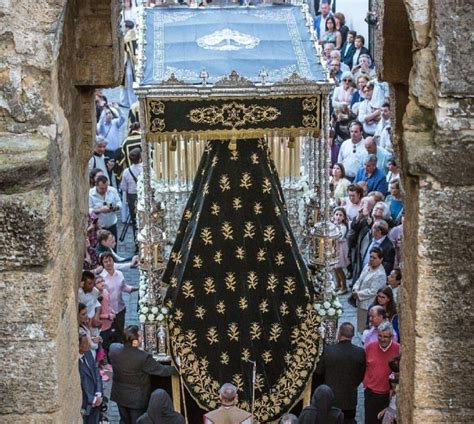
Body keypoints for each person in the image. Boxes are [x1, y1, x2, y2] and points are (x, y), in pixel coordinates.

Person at [109, 326, 177, 424]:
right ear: (135, 342)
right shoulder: (143, 357)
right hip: (137, 399)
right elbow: (162, 370)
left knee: (124, 420)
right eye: (140, 336)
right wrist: (177, 369)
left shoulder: (113, 349)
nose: (142, 337)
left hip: (119, 395)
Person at [315, 322, 365, 423]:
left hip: (331, 401)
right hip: (349, 400)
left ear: (339, 333)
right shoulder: (360, 352)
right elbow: (361, 375)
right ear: (353, 335)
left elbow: (319, 371)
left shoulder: (329, 351)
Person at [363, 322, 400, 424]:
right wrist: (366, 382)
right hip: (371, 393)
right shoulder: (370, 347)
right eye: (380, 336)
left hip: (388, 396)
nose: (382, 339)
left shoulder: (398, 349)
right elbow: (364, 366)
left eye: (385, 336)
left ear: (391, 337)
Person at [100, 252, 138, 339]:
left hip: (120, 308)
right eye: (106, 262)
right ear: (102, 264)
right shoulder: (101, 278)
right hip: (108, 312)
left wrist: (134, 289)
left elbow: (124, 287)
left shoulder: (119, 274)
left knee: (120, 331)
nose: (108, 263)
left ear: (113, 261)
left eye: (110, 260)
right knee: (109, 333)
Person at [352, 246, 387, 333]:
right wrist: (355, 289)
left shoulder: (380, 274)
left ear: (380, 259)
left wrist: (358, 294)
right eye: (370, 256)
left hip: (368, 304)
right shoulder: (367, 266)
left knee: (366, 328)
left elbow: (373, 291)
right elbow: (360, 279)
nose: (371, 259)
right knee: (360, 327)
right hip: (360, 302)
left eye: (374, 258)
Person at [89, 175, 122, 242]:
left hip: (112, 225)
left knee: (113, 247)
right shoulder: (90, 194)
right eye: (102, 188)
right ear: (96, 185)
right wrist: (101, 210)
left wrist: (114, 208)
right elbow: (89, 210)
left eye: (106, 188)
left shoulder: (112, 190)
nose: (104, 190)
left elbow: (119, 204)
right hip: (99, 228)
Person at [79, 334, 103, 424]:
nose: (89, 344)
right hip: (86, 404)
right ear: (79, 346)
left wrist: (98, 393)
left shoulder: (88, 353)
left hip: (97, 398)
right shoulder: (76, 363)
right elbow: (81, 386)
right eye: (85, 343)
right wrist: (93, 399)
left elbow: (96, 371)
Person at [121, 147, 143, 240]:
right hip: (142, 195)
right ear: (140, 157)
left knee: (135, 221)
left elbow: (123, 188)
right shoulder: (144, 168)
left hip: (132, 197)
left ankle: (136, 240)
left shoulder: (126, 171)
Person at [120, 20, 138, 109]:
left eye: (124, 26)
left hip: (129, 64)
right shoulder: (131, 35)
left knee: (130, 82)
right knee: (126, 83)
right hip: (127, 64)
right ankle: (125, 101)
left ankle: (132, 103)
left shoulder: (128, 38)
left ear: (127, 27)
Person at [333, 207, 350, 294]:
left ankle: (344, 287)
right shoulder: (333, 225)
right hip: (334, 247)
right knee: (334, 268)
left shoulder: (343, 227)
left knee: (338, 267)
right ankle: (338, 284)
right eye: (336, 214)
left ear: (343, 217)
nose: (338, 217)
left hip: (340, 248)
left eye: (340, 215)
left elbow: (339, 237)